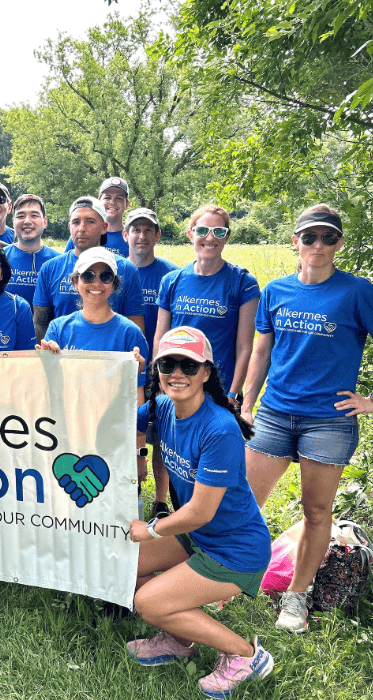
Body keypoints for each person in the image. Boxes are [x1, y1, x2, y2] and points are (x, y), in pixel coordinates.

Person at [241, 204, 373, 633]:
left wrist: (371, 402)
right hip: (275, 412)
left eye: (328, 238)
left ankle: (296, 598)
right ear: (295, 241)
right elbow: (262, 351)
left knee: (317, 511)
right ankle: (234, 578)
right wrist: (246, 403)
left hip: (328, 421)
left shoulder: (357, 291)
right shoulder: (276, 291)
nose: (318, 245)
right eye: (310, 237)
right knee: (243, 502)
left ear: (339, 243)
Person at [128, 326, 273, 698]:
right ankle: (178, 640)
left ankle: (245, 655)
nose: (177, 372)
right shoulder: (162, 406)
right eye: (168, 364)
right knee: (125, 566)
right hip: (199, 536)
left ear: (206, 372)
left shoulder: (219, 428)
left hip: (234, 550)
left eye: (189, 365)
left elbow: (200, 512)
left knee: (146, 602)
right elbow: (118, 421)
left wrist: (151, 529)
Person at [155, 204, 260, 403]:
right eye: (202, 231)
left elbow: (245, 346)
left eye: (218, 232)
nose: (210, 238)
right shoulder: (171, 281)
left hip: (220, 390)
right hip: (178, 386)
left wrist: (234, 393)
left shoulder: (243, 282)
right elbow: (160, 339)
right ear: (190, 234)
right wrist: (160, 385)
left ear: (227, 237)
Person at [37, 247, 148, 400]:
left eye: (105, 276)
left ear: (114, 284)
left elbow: (137, 396)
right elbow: (47, 389)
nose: (96, 283)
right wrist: (45, 362)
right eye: (88, 276)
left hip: (112, 421)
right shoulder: (58, 329)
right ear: (75, 282)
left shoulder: (131, 333)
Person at [124, 207, 179, 519]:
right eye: (136, 230)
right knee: (132, 428)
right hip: (127, 365)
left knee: (160, 433)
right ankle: (128, 486)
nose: (141, 236)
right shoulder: (115, 272)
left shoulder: (170, 275)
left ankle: (160, 499)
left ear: (158, 235)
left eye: (148, 230)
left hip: (163, 367)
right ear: (126, 235)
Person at [33, 195, 145, 343]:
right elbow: (40, 323)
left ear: (104, 227)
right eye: (76, 222)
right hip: (64, 359)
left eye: (90, 222)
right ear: (69, 227)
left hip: (111, 359)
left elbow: (135, 324)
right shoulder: (50, 268)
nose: (82, 228)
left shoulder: (125, 269)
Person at [4, 194, 60, 309]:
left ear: (45, 222)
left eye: (34, 215)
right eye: (21, 216)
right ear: (13, 222)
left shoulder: (58, 262)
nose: (27, 221)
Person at [63, 176, 131, 257]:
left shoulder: (131, 239)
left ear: (127, 204)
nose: (112, 202)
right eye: (107, 197)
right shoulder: (80, 236)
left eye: (119, 198)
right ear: (99, 202)